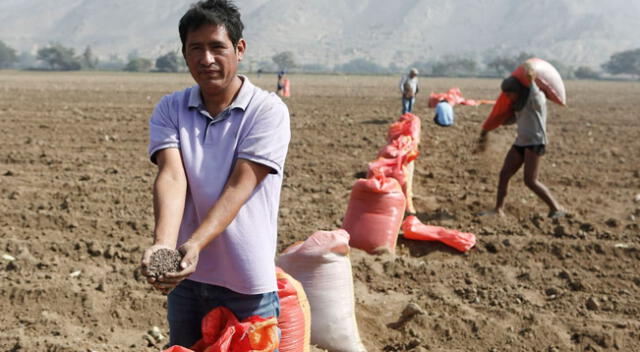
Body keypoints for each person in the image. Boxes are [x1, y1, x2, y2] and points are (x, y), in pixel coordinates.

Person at [140, 0, 291, 348]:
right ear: (184, 54)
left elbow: (241, 185)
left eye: (216, 47)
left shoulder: (267, 111)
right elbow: (172, 177)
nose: (206, 58)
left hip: (246, 282)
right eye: (196, 48)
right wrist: (165, 245)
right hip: (187, 281)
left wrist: (193, 244)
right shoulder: (171, 108)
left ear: (239, 49)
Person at [479, 63, 565, 218]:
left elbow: (534, 91)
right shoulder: (519, 103)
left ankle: (556, 208)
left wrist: (531, 79)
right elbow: (515, 118)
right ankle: (498, 209)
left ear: (517, 90)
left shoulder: (535, 99)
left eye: (510, 94)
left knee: (530, 181)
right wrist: (499, 120)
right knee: (504, 174)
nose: (508, 97)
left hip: (535, 142)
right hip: (521, 142)